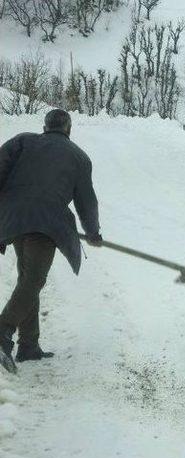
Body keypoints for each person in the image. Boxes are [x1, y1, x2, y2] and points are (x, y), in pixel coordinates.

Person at [0, 109, 102, 373]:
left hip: (14, 218)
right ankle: (3, 330)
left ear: (45, 127)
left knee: (28, 280)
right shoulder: (79, 157)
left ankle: (29, 346)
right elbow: (86, 201)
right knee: (34, 280)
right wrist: (92, 231)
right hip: (45, 223)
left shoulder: (22, 141)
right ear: (68, 128)